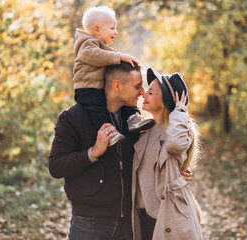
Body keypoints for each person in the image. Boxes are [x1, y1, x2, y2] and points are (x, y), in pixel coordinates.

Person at [49, 62, 193, 240]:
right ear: (117, 86)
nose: (142, 93)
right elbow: (55, 166)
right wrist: (93, 152)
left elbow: (151, 159)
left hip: (129, 223)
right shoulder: (72, 118)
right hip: (89, 222)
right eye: (137, 86)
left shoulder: (134, 122)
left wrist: (175, 175)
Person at [131, 68, 203, 240]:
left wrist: (179, 109)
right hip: (143, 217)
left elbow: (176, 144)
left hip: (168, 218)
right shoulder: (143, 130)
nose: (144, 95)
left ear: (165, 100)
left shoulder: (178, 132)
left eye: (150, 92)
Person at [73, 6, 154, 146]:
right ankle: (109, 133)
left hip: (98, 87)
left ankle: (133, 119)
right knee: (99, 111)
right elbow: (94, 56)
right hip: (87, 89)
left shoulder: (100, 45)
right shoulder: (86, 44)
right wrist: (119, 56)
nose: (115, 32)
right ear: (97, 30)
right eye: (112, 28)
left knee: (125, 98)